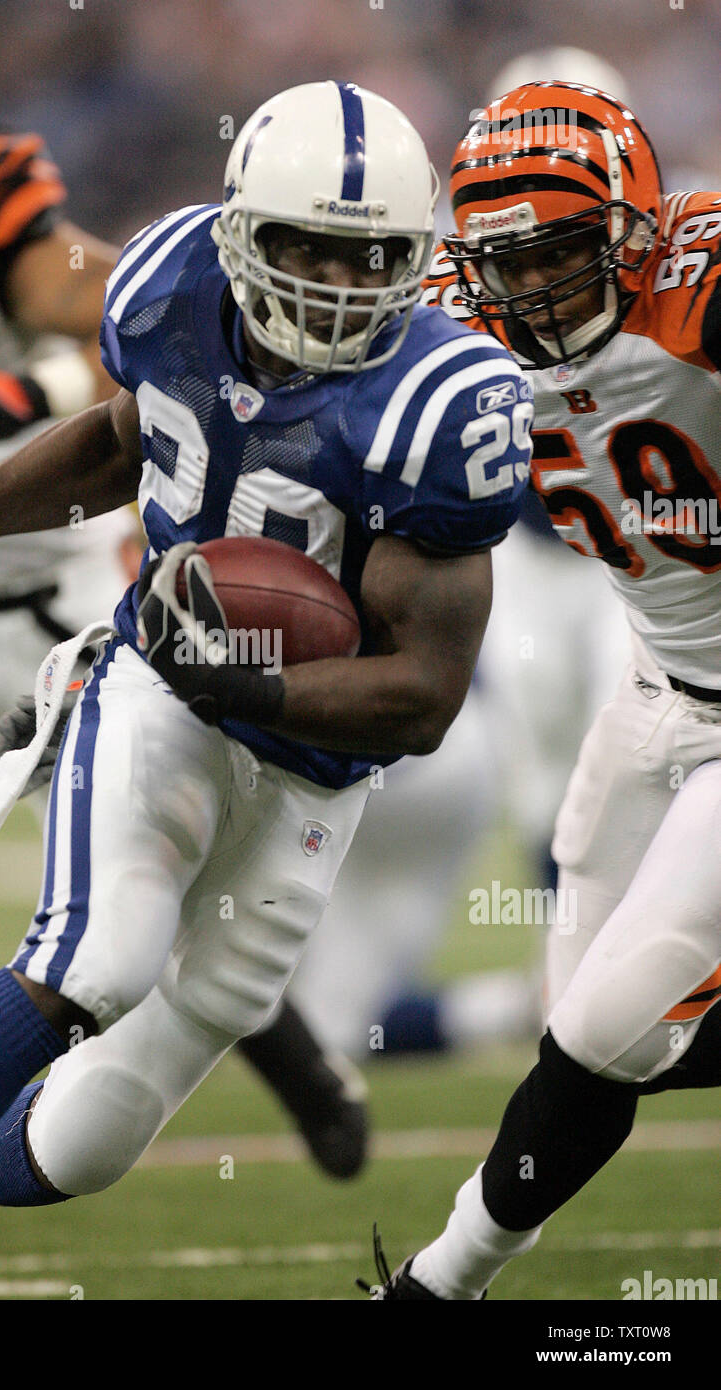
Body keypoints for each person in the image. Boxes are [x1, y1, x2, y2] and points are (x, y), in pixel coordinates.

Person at [0, 78, 532, 1300]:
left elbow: (422, 699)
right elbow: (118, 440)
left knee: (94, 1138)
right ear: (237, 232)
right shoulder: (169, 288)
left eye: (369, 255)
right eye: (305, 247)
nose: (333, 281)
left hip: (311, 757)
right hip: (157, 682)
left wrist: (250, 686)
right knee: (95, 958)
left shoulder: (442, 403)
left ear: (416, 254)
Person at [366, 80, 721, 1300]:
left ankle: (432, 1286)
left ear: (629, 228)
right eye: (505, 263)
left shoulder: (699, 285)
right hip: (653, 685)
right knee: (574, 1022)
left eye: (562, 253)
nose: (535, 290)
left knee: (598, 1036)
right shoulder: (441, 321)